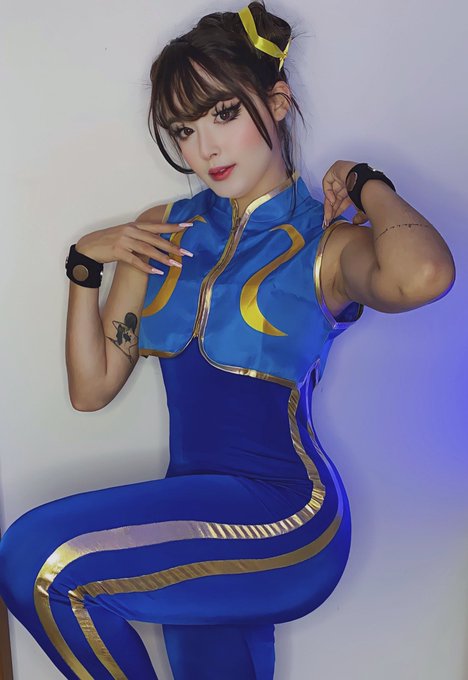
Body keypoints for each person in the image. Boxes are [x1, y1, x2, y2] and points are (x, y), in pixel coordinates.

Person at [0, 2, 455, 679]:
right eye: (184, 130)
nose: (205, 149)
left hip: (285, 516)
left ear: (277, 103)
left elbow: (425, 275)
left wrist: (364, 182)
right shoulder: (163, 232)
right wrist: (85, 265)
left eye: (223, 114)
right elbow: (92, 390)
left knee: (37, 557)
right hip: (186, 517)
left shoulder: (326, 243)